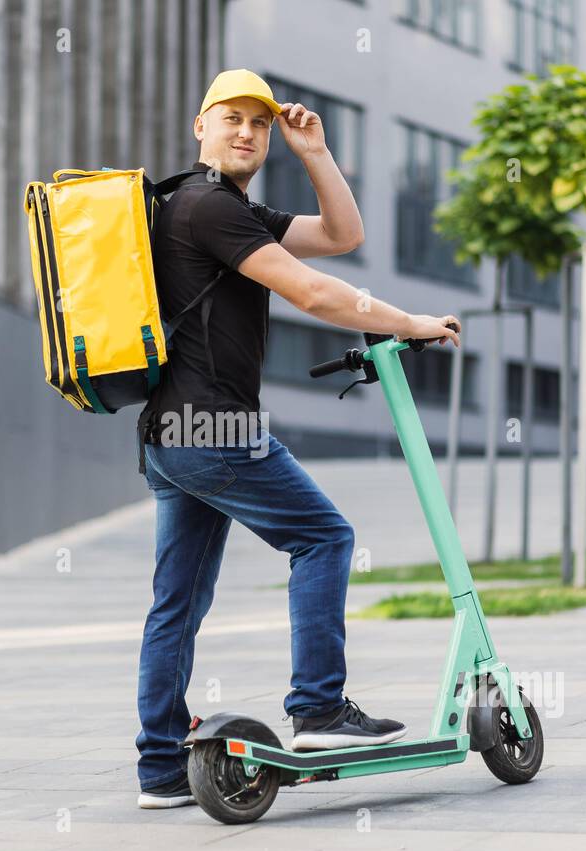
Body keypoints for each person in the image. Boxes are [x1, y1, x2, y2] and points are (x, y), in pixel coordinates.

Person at [135, 69, 461, 808]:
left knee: (176, 602)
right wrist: (405, 321)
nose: (247, 131)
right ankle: (318, 709)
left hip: (171, 433)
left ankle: (159, 767)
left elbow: (343, 237)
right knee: (324, 538)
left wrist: (314, 151)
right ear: (200, 125)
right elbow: (311, 291)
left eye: (259, 121)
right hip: (215, 429)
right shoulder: (204, 207)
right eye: (232, 118)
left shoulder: (223, 209)